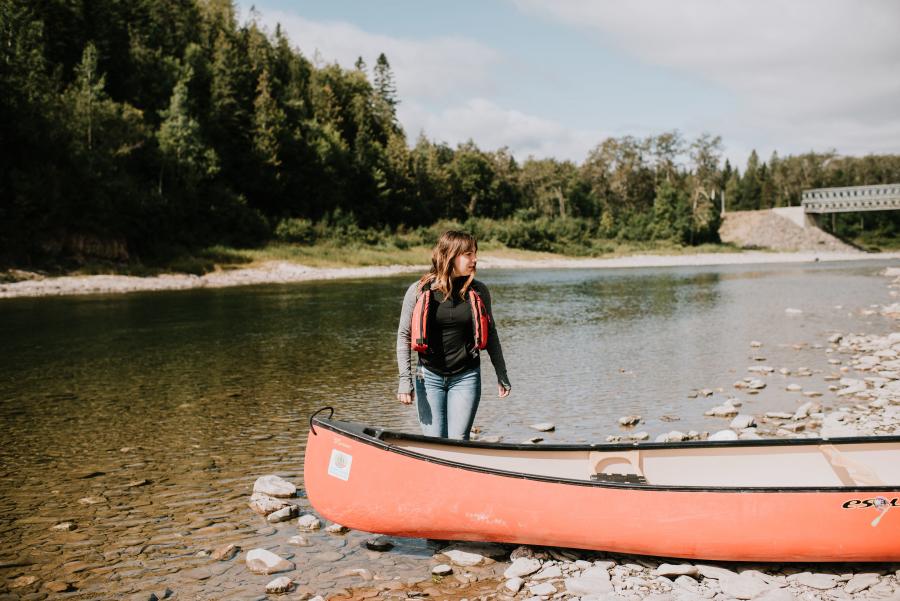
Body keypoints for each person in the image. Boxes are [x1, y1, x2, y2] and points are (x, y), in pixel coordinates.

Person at [396, 230, 511, 440]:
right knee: (435, 444)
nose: (474, 259)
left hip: (466, 377)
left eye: (475, 253)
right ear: (449, 256)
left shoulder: (479, 291)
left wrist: (501, 373)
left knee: (459, 442)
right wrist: (405, 381)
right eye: (468, 254)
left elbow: (491, 334)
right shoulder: (419, 291)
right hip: (428, 377)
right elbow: (404, 336)